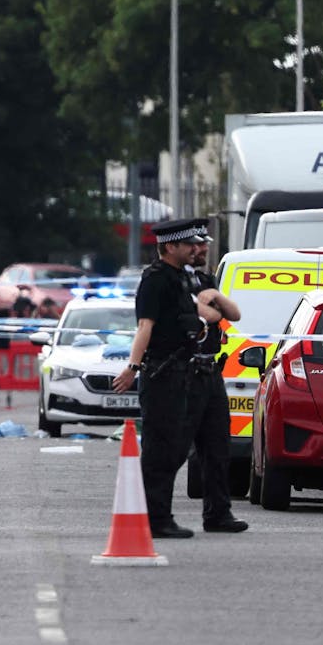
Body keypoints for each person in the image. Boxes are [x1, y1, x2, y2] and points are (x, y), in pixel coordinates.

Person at [111, 217, 217, 539]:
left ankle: (158, 515)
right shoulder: (156, 280)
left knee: (172, 447)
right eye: (187, 245)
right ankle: (156, 519)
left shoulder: (180, 279)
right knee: (160, 449)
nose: (194, 249)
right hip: (161, 373)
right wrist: (132, 367)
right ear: (170, 247)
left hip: (179, 373)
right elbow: (146, 326)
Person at [188, 237, 248, 533]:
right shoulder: (174, 280)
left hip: (211, 370)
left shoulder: (205, 278)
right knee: (173, 448)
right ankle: (155, 513)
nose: (202, 251)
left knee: (217, 446)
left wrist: (213, 295)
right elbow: (210, 315)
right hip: (185, 372)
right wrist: (209, 301)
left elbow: (232, 314)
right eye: (196, 246)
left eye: (203, 246)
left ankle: (218, 513)